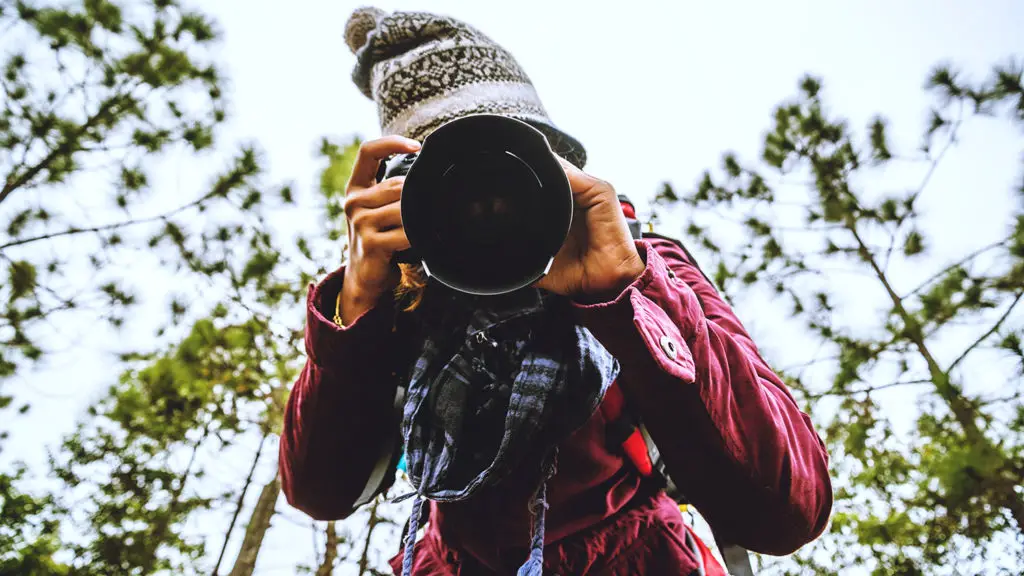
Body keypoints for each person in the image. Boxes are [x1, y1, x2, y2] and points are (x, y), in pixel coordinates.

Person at [279, 7, 833, 575]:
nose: (488, 209)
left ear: (558, 169)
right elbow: (320, 493)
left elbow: (788, 511)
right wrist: (355, 310)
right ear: (404, 199)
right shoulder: (399, 300)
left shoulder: (635, 266)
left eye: (505, 175)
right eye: (457, 188)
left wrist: (629, 295)